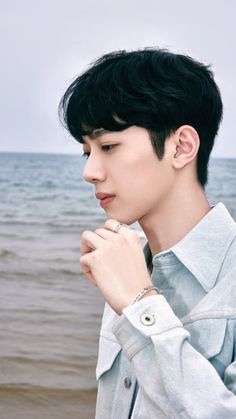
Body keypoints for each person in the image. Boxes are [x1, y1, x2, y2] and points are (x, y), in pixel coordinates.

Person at [59, 48, 236, 418]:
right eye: (86, 151)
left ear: (182, 146)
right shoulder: (125, 262)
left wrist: (141, 306)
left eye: (107, 146)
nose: (89, 172)